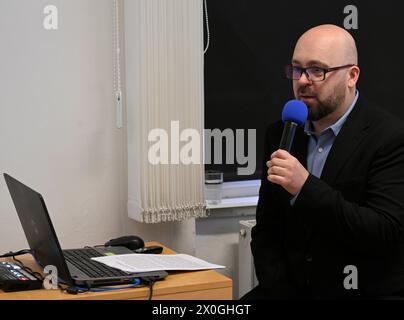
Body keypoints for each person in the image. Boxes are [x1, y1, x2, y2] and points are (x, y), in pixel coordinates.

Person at [243, 24, 404, 299]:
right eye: (297, 69)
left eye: (318, 70)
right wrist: (278, 288)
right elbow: (266, 230)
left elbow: (383, 232)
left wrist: (305, 187)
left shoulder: (389, 137)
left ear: (351, 75)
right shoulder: (281, 133)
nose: (303, 80)